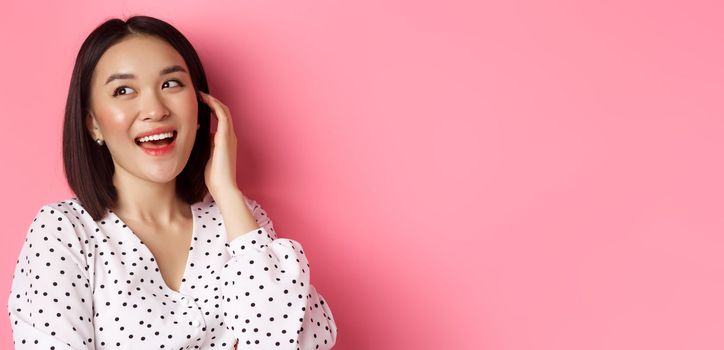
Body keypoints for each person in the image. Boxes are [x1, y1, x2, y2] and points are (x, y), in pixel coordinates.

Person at [6, 15, 337, 349]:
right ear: (93, 124)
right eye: (124, 90)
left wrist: (226, 192)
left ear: (199, 107)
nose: (155, 109)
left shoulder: (241, 223)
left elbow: (304, 341)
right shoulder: (64, 231)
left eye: (171, 84)